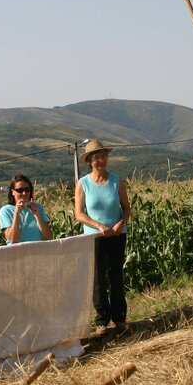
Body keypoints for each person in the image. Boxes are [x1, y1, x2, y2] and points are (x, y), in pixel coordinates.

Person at [74, 139, 132, 329]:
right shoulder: (83, 184)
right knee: (98, 278)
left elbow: (126, 208)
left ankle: (120, 318)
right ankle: (102, 321)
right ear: (90, 161)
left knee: (116, 275)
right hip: (94, 237)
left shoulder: (116, 180)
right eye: (97, 157)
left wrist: (120, 224)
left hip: (117, 234)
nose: (101, 160)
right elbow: (79, 214)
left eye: (104, 156)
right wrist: (98, 226)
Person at [0, 175, 53, 244]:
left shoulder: (38, 208)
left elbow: (49, 237)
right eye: (20, 190)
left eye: (27, 190)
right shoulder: (6, 211)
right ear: (12, 192)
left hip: (37, 252)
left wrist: (37, 215)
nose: (24, 193)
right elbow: (13, 239)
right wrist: (16, 213)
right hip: (17, 253)